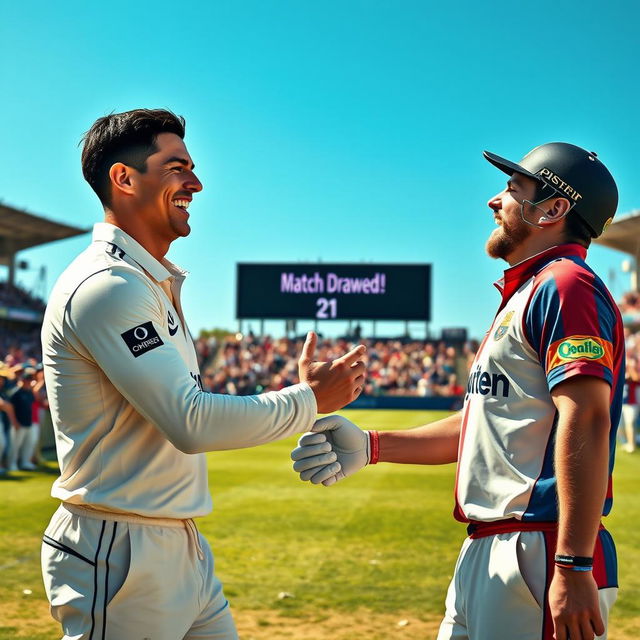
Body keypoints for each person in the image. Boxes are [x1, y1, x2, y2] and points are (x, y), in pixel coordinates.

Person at [40, 108, 365, 640]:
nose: (196, 182)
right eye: (176, 168)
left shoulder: (140, 282)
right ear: (124, 179)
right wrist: (310, 398)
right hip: (119, 548)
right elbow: (191, 422)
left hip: (175, 542)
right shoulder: (107, 284)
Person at [292, 142, 623, 640]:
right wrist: (373, 446)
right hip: (492, 546)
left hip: (542, 546)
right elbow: (483, 427)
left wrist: (574, 564)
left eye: (514, 188)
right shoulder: (531, 290)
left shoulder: (565, 284)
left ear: (554, 209)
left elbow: (588, 419)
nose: (495, 200)